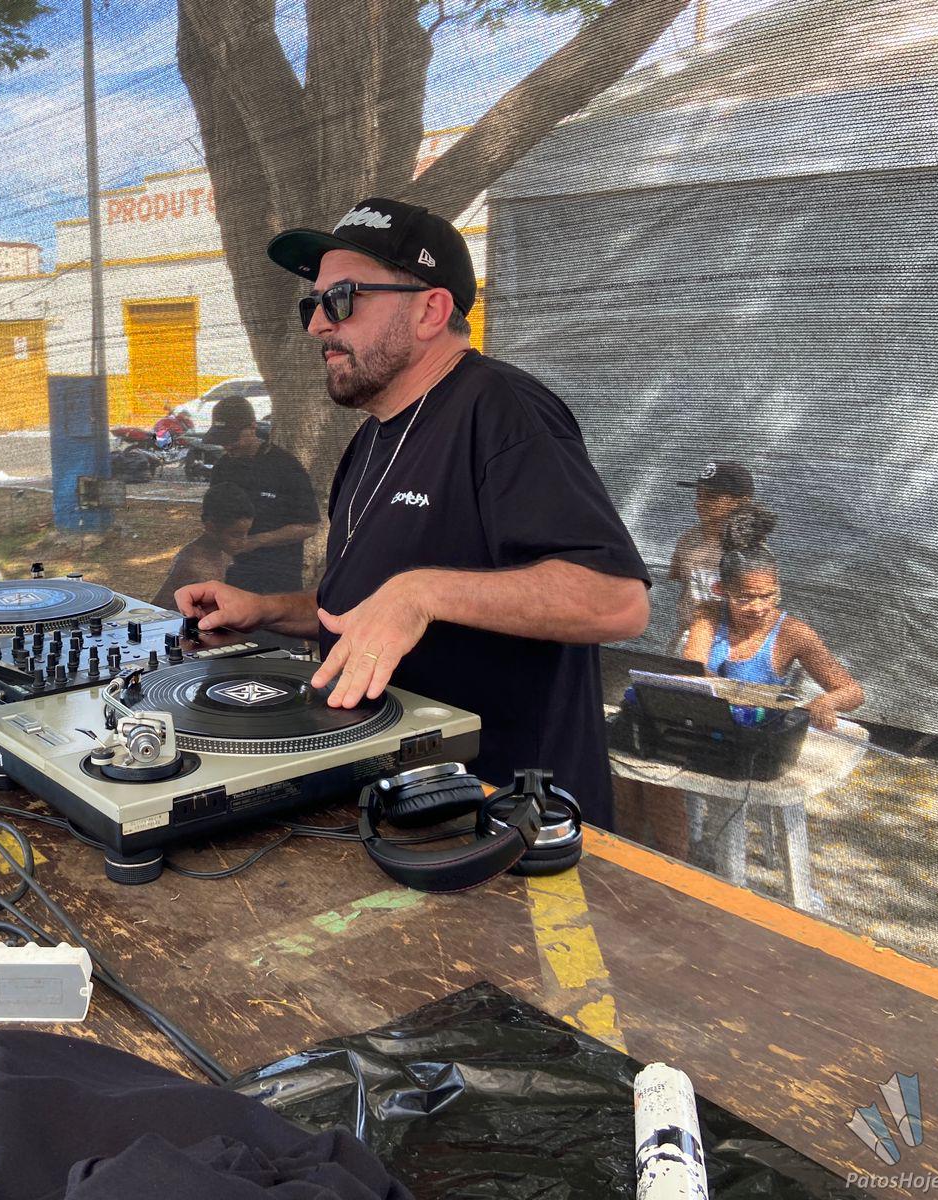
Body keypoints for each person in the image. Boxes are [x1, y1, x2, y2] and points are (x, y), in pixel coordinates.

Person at [175, 196, 650, 829]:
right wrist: (267, 610)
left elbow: (616, 600)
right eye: (312, 305)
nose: (317, 326)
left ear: (430, 310)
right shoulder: (370, 438)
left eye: (341, 299)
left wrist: (422, 593)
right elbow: (367, 608)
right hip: (395, 805)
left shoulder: (504, 410)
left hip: (506, 822)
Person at [683, 506, 864, 730]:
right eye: (744, 598)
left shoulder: (793, 633)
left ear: (778, 589)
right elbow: (693, 668)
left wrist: (827, 702)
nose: (757, 607)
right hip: (707, 724)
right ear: (720, 590)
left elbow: (853, 692)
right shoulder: (709, 614)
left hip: (759, 732)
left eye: (768, 596)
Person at [200, 396, 320, 594]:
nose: (228, 446)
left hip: (278, 578)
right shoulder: (222, 467)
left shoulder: (285, 466)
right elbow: (212, 518)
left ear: (252, 427)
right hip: (233, 576)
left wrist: (256, 541)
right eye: (222, 440)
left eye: (233, 439)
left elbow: (309, 526)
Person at [668, 460, 754, 650]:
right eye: (699, 495)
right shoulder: (688, 539)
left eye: (711, 497)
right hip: (688, 636)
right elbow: (677, 580)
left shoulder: (751, 549)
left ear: (742, 502)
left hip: (734, 643)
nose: (699, 503)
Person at [152, 484, 256, 609]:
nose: (243, 541)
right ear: (211, 527)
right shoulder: (195, 565)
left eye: (246, 533)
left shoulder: (222, 553)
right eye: (235, 535)